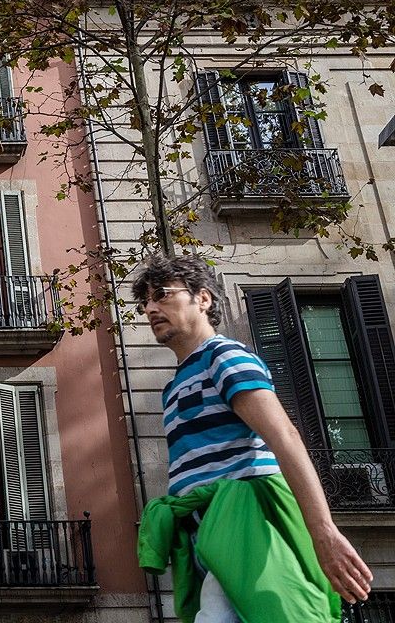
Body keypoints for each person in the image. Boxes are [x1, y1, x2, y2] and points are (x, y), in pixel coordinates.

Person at [131, 254, 372, 623]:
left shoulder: (224, 356)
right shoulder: (175, 386)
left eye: (162, 295)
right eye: (144, 301)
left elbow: (285, 436)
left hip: (247, 527)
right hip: (208, 536)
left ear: (203, 299)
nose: (150, 308)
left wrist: (323, 532)